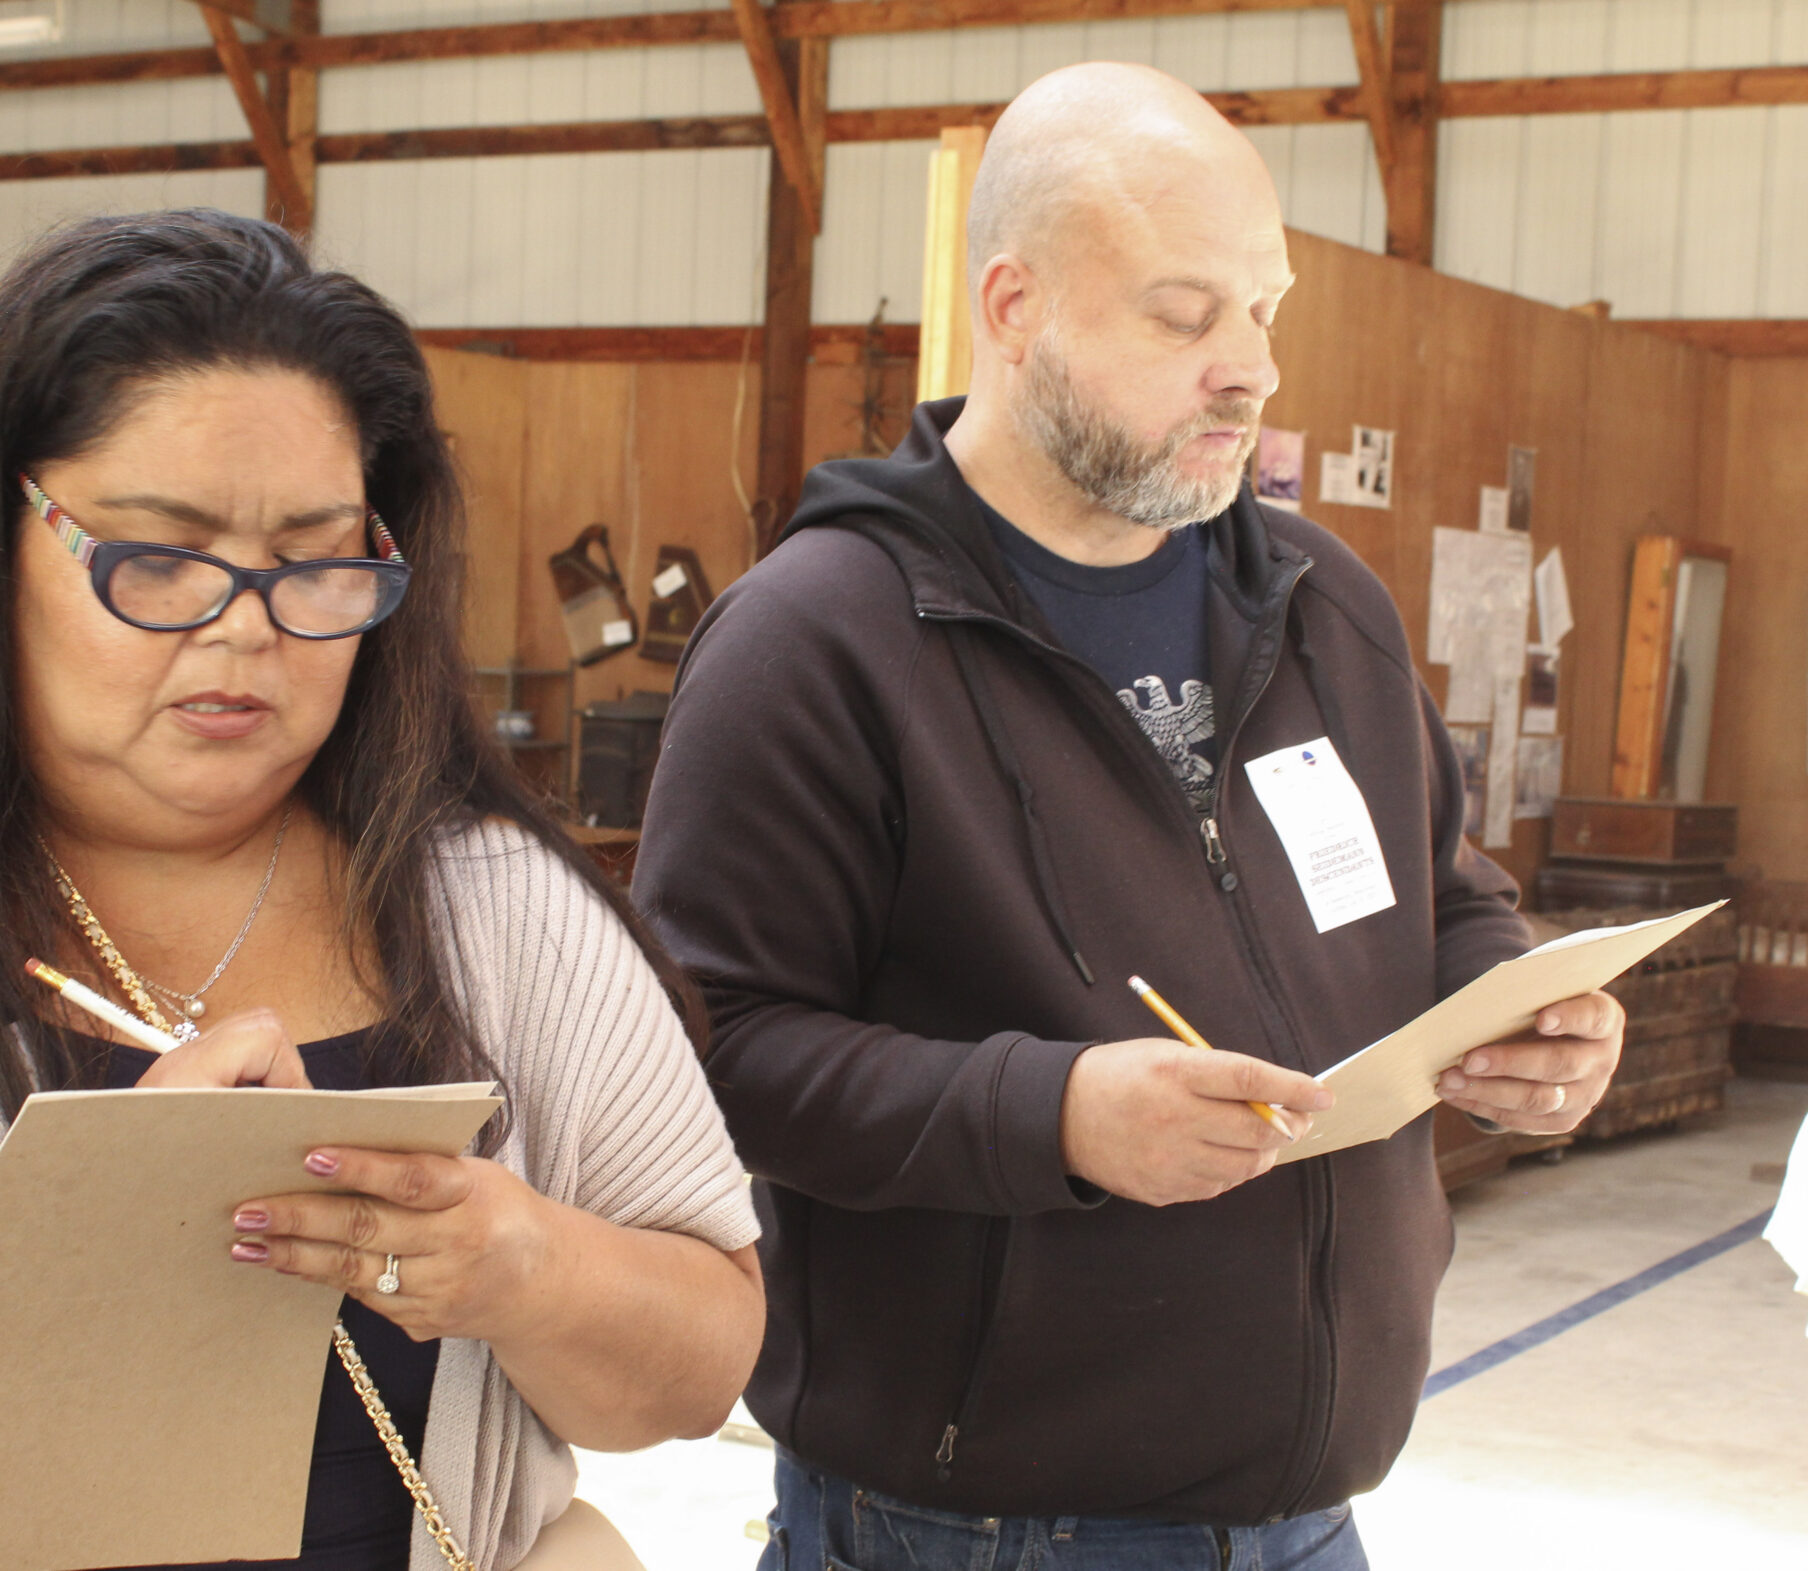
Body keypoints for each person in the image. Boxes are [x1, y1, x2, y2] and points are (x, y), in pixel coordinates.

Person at [0, 210, 763, 1571]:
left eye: (315, 562)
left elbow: (701, 1362)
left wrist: (527, 1269)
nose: (247, 627)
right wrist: (76, 1220)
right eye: (159, 557)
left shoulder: (487, 901)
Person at [633, 64, 1625, 1571]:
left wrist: (1520, 1011)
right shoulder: (818, 640)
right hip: (975, 1533)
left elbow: (1440, 890)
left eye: (1265, 311)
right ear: (1016, 308)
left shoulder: (1323, 606)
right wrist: (1057, 1118)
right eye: (1184, 316)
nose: (1252, 370)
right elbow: (719, 1059)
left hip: (1309, 1523)